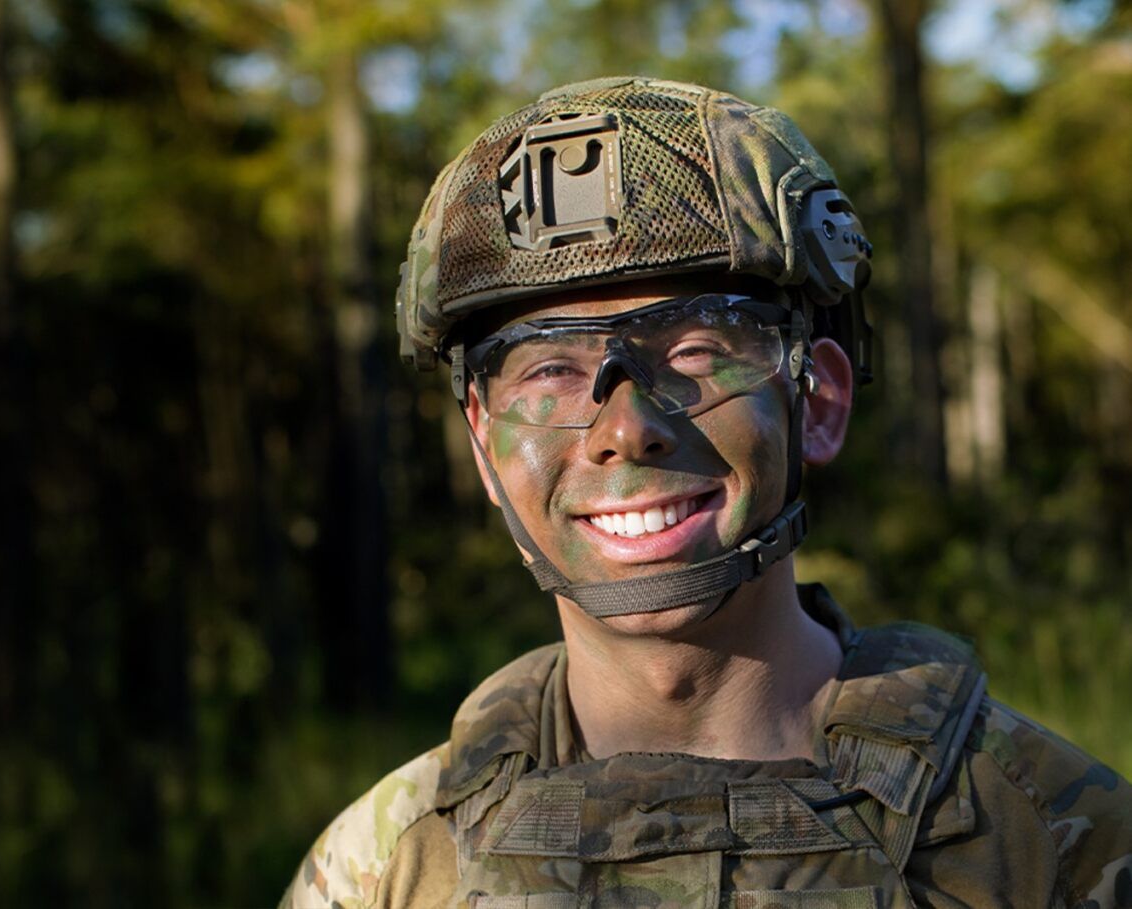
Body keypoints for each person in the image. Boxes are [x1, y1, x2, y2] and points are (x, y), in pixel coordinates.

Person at [281, 77, 1132, 908]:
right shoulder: (379, 870)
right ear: (482, 443)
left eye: (691, 351)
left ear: (819, 401)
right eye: (550, 370)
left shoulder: (1060, 843)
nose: (624, 429)